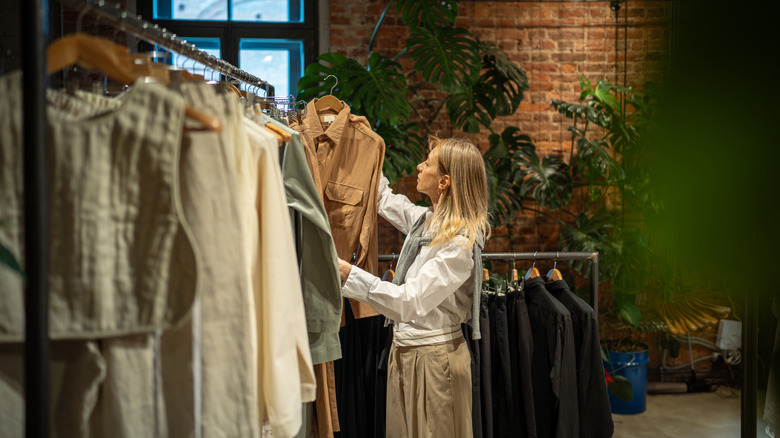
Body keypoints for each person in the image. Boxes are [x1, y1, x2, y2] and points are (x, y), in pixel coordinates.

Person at [338, 134, 491, 438]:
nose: (419, 167)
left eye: (428, 163)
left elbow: (408, 303)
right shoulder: (427, 222)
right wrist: (362, 143)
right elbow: (382, 197)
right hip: (406, 352)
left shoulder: (459, 245)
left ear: (445, 181)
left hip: (436, 359)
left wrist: (348, 275)